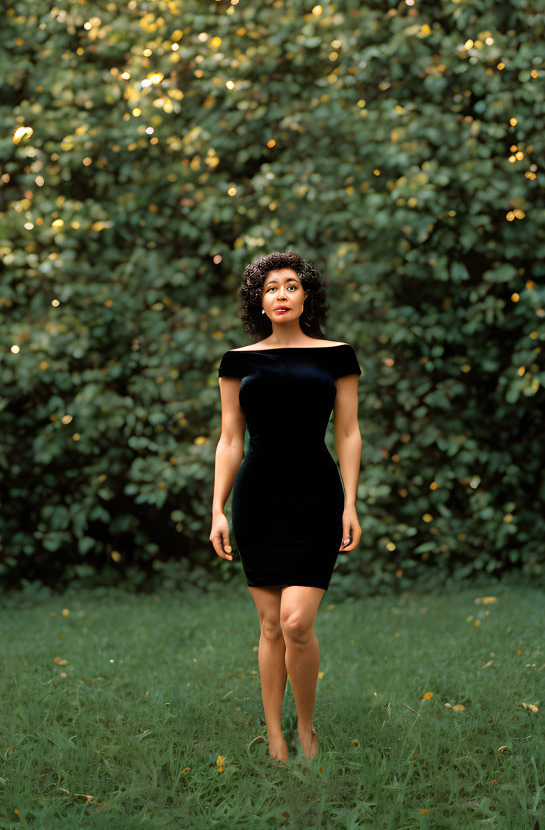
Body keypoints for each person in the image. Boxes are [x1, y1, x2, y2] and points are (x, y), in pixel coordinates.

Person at [209, 250, 363, 764]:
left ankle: (306, 727)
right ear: (259, 298)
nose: (280, 294)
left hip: (317, 496)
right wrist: (217, 508)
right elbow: (230, 440)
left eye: (291, 285)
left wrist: (352, 502)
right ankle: (275, 735)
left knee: (297, 622)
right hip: (258, 499)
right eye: (270, 287)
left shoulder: (336, 355)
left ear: (306, 296)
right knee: (270, 626)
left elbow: (347, 431)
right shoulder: (238, 362)